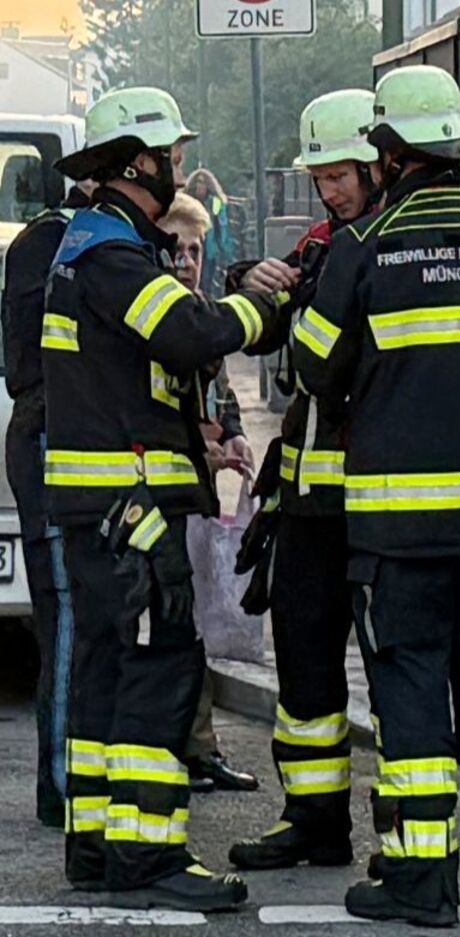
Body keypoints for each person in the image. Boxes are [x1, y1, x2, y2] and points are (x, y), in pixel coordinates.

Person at [291, 66, 460, 927]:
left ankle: (420, 881)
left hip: (400, 530)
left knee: (410, 689)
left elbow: (310, 364)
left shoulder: (366, 248)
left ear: (387, 149)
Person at [43, 86, 282, 911]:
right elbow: (187, 334)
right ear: (139, 161)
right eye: (172, 155)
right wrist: (264, 303)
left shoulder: (93, 247)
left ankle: (99, 846)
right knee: (158, 663)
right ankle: (147, 857)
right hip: (130, 509)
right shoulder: (111, 253)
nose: (179, 167)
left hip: (104, 510)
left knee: (108, 669)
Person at [224, 88, 384, 871]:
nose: (331, 190)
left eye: (343, 173)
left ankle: (410, 840)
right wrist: (246, 276)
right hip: (311, 503)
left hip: (387, 502)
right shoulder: (324, 247)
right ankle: (315, 821)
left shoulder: (396, 246)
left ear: (382, 159)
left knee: (398, 675)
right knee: (306, 667)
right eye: (321, 176)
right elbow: (283, 329)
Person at [155, 192, 263, 796]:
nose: (187, 261)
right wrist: (201, 444)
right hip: (160, 498)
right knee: (171, 631)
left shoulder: (201, 315)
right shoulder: (157, 318)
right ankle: (180, 750)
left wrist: (239, 437)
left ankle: (201, 749)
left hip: (196, 495)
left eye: (195, 250)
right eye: (176, 249)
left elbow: (221, 396)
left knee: (194, 629)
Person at [3, 178, 90, 829]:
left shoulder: (43, 242)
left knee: (69, 615)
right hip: (49, 436)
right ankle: (61, 781)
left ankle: (71, 773)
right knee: (63, 613)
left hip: (46, 435)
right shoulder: (64, 244)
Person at [184, 169, 237, 295]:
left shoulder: (215, 202)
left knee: (206, 282)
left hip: (209, 248)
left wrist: (226, 250)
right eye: (197, 182)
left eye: (202, 182)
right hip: (190, 246)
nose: (199, 185)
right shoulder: (187, 201)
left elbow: (222, 225)